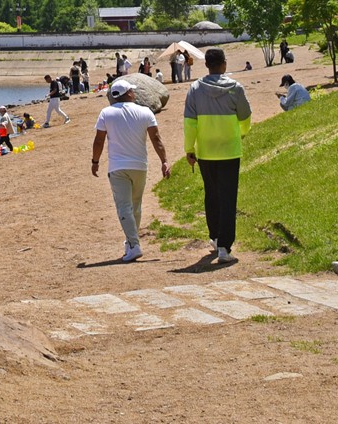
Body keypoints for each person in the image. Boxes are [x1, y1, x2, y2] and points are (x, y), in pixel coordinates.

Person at [183, 46, 252, 265]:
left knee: (211, 195)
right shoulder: (235, 88)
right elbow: (246, 118)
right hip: (230, 150)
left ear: (206, 65)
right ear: (224, 64)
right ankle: (224, 246)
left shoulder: (195, 89)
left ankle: (214, 237)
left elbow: (189, 123)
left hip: (206, 152)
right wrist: (239, 133)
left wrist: (189, 149)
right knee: (228, 198)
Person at [91, 80, 169, 262]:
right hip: (140, 165)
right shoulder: (145, 111)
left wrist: (95, 161)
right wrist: (164, 161)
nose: (134, 93)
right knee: (136, 205)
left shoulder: (106, 113)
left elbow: (99, 141)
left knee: (124, 206)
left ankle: (134, 245)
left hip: (118, 166)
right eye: (132, 91)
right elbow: (156, 138)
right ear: (129, 94)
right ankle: (131, 242)